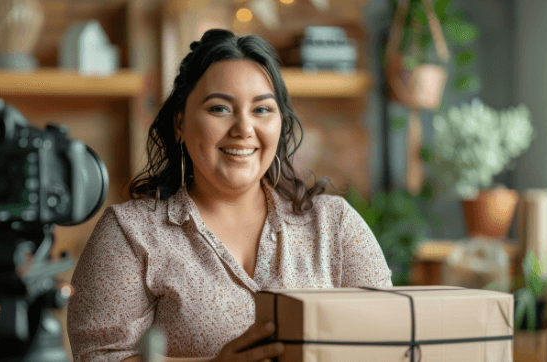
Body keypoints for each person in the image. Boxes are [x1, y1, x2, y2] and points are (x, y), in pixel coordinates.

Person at [67, 29, 392, 362]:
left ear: (281, 123)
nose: (243, 128)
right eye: (220, 109)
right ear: (180, 123)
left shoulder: (334, 225)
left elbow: (392, 341)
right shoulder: (130, 233)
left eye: (262, 110)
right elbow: (99, 357)